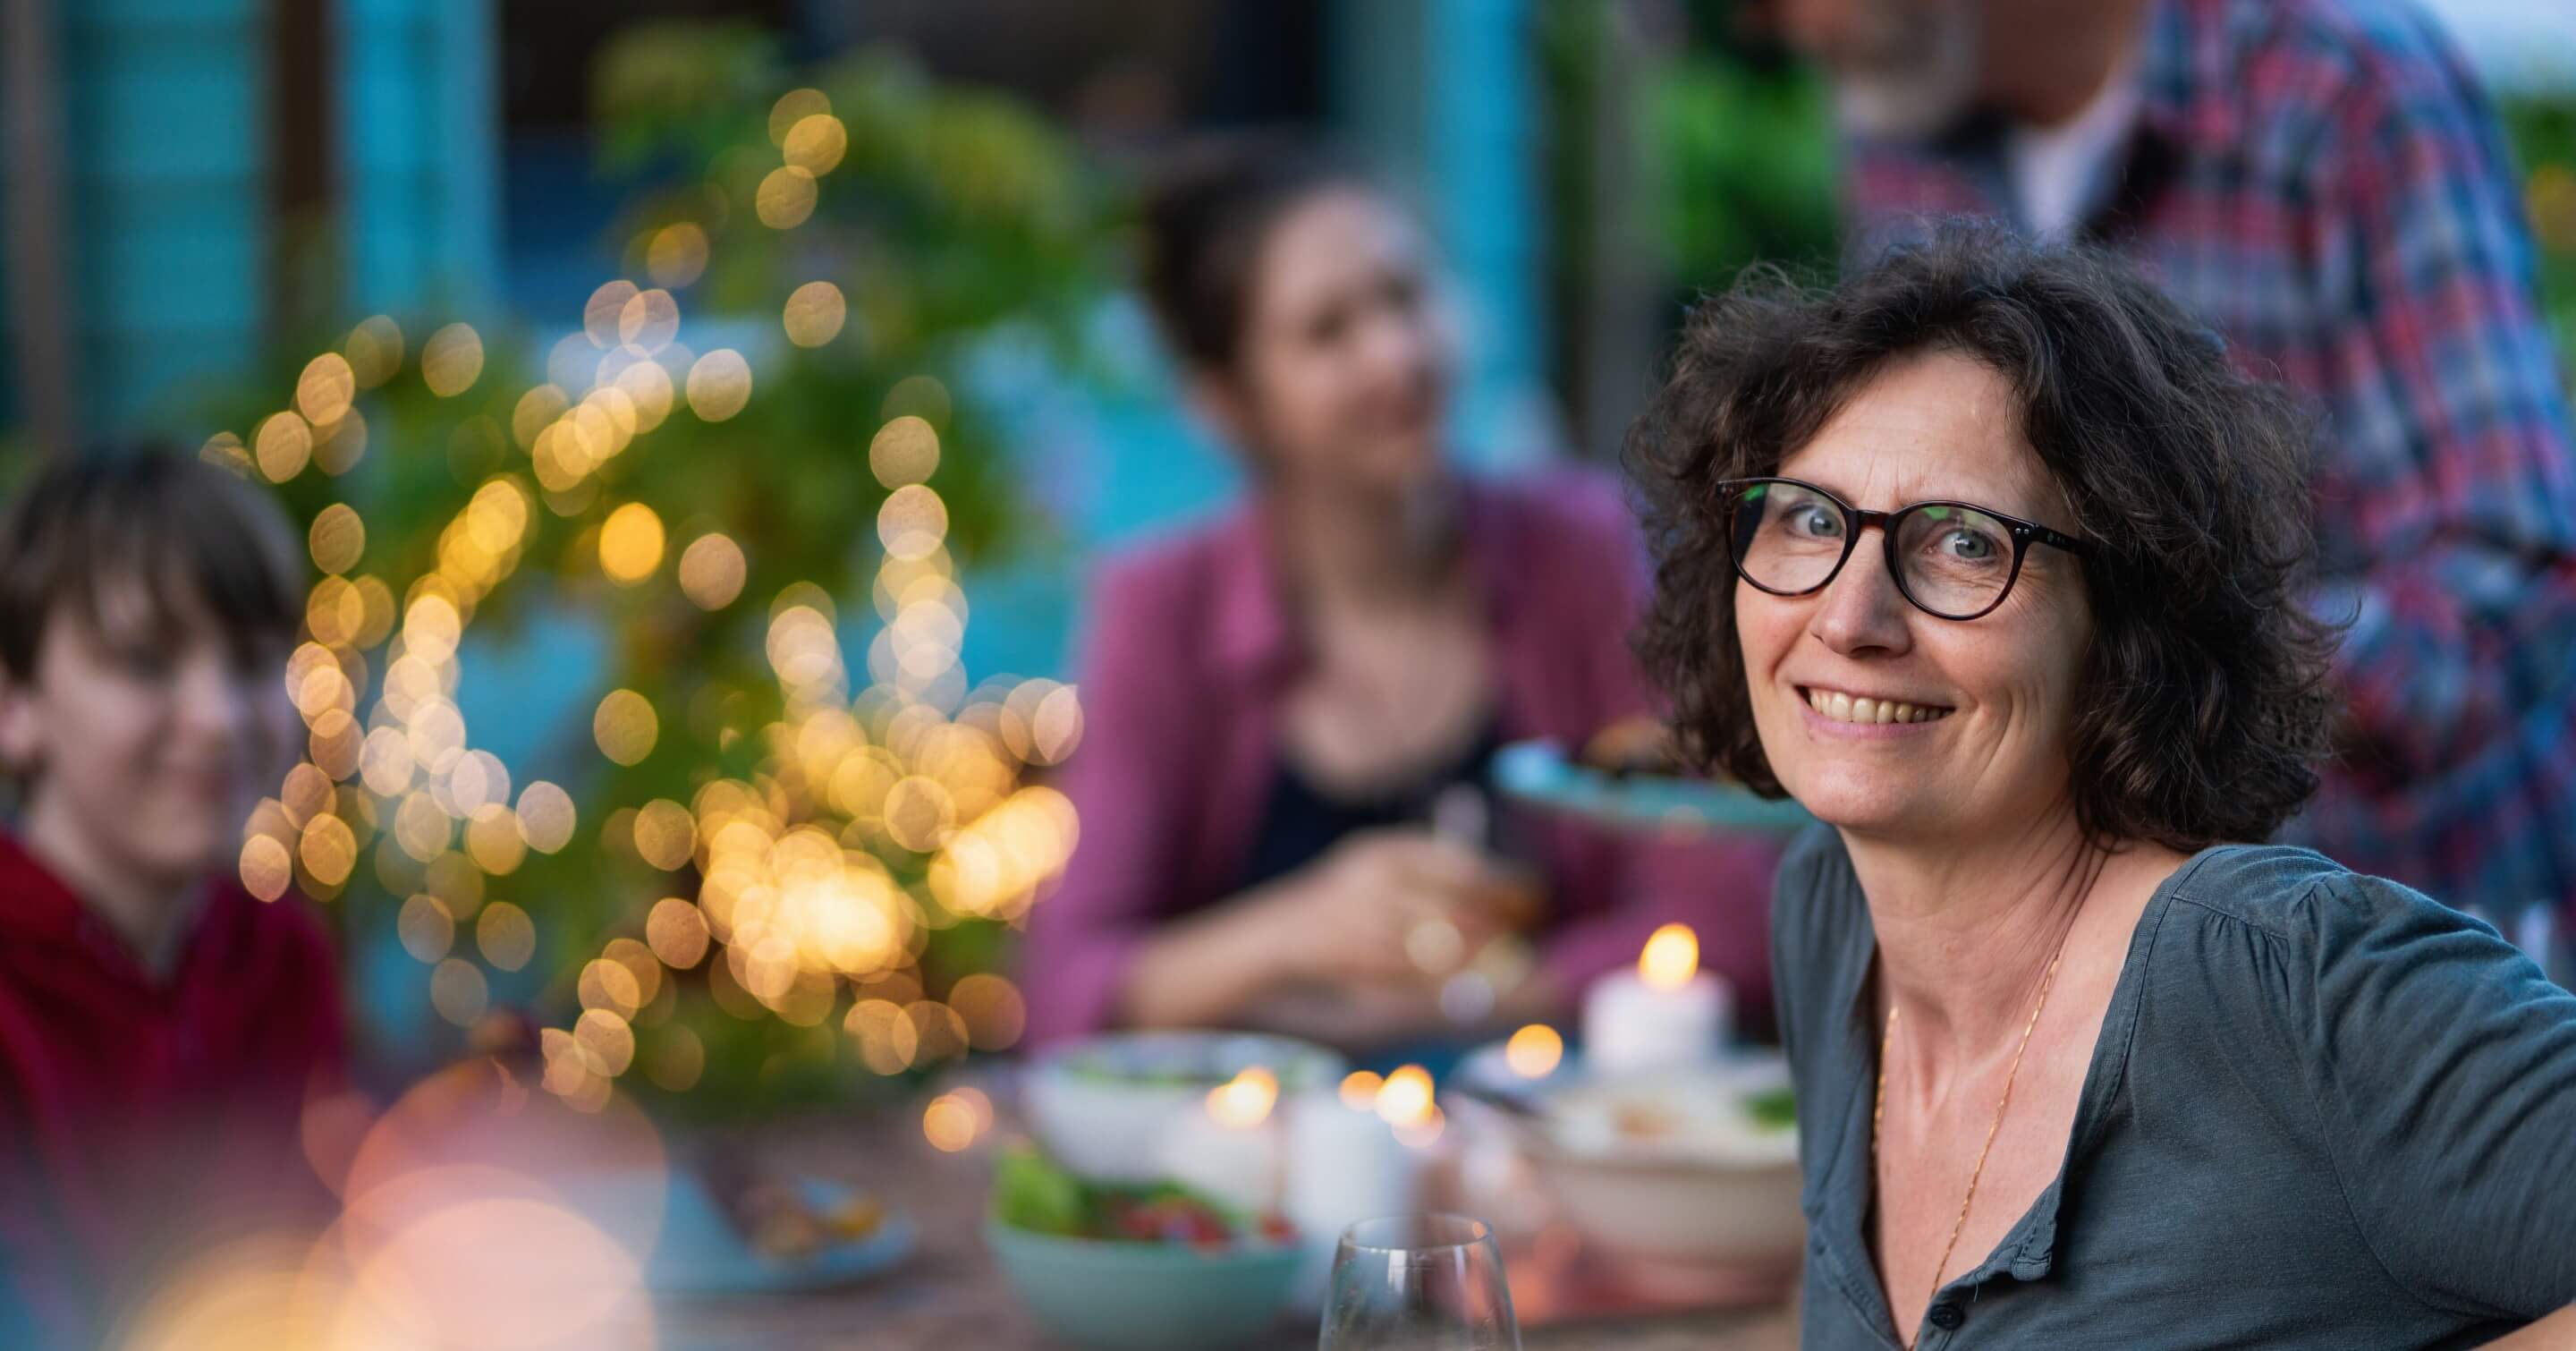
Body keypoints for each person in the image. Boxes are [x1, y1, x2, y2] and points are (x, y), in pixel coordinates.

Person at [1627, 224, 2576, 1348]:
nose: (1849, 617)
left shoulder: (2284, 982)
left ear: (2124, 623)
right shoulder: (1831, 911)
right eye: (1809, 517)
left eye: (1963, 545)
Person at [1767, 0, 2576, 905]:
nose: (1788, 27)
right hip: (2051, 956)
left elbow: (2514, 583)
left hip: (2393, 937)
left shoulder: (2346, 90)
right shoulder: (1902, 110)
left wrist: (2156, 670)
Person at [1017, 138, 1778, 1054]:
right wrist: (1293, 928)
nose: (1398, 353)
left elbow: (1732, 925)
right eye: (1328, 330)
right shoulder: (1160, 606)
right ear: (1227, 399)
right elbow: (1061, 990)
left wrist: (1461, 1005)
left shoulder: (1579, 551)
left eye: (1406, 296)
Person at [0, 450, 347, 1347]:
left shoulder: (282, 958)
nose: (219, 716)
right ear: (14, 703)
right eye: (146, 663)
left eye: (250, 661)